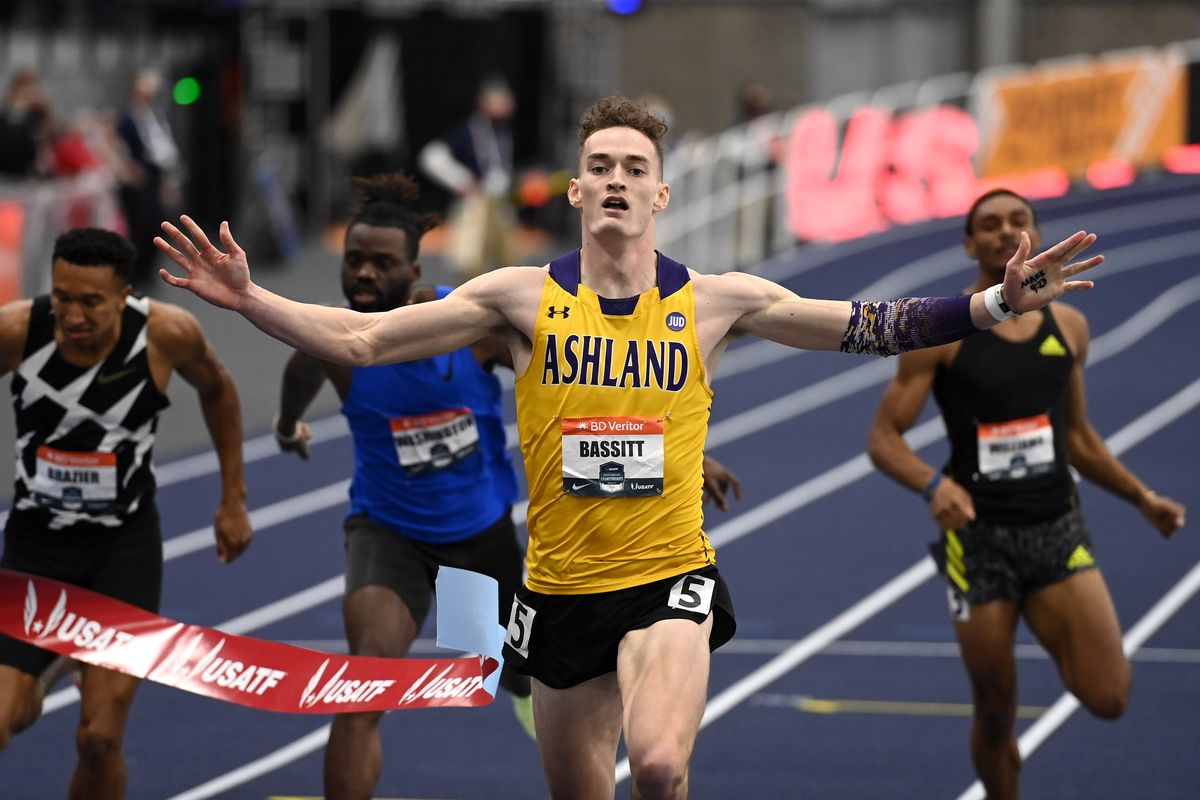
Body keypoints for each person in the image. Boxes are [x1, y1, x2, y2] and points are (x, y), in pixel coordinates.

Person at [156, 97, 1101, 799]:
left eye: (633, 166)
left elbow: (865, 323)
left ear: (660, 192)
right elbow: (360, 341)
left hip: (668, 577)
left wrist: (991, 305)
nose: (615, 178)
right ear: (575, 190)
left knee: (656, 767)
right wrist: (251, 301)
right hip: (560, 591)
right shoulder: (516, 298)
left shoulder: (716, 302)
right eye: (599, 164)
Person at [273, 171, 742, 800]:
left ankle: (540, 712)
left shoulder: (472, 326)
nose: (362, 274)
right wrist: (284, 427)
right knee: (366, 683)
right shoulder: (329, 347)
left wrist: (689, 455)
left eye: (381, 263)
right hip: (391, 539)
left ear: (414, 266)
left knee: (519, 679)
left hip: (480, 546)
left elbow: (589, 390)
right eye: (353, 260)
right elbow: (296, 378)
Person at [865, 189, 1186, 800]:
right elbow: (883, 439)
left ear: (1034, 235)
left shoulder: (1070, 326)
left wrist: (1142, 497)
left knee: (1108, 695)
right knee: (994, 709)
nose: (1004, 230)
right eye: (989, 224)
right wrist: (936, 484)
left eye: (1018, 220)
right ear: (969, 243)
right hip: (978, 542)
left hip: (1055, 529)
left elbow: (1079, 437)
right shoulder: (945, 331)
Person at [0, 227, 252, 800]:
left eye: (91, 301)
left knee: (99, 738)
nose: (73, 314)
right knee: (2, 722)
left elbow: (219, 390)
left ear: (124, 296)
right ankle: (42, 674)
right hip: (34, 551)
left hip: (121, 554)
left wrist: (232, 498)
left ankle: (61, 667)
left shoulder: (165, 334)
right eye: (63, 296)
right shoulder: (18, 331)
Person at [417, 77, 518, 278]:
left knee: (510, 258)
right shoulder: (468, 131)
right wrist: (462, 181)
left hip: (498, 203)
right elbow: (432, 157)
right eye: (498, 100)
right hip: (474, 203)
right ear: (484, 102)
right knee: (470, 260)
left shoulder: (504, 134)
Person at [117, 69, 181, 289]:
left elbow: (164, 147)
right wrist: (130, 168)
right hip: (138, 177)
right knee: (139, 227)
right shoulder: (128, 119)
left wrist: (169, 178)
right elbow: (121, 147)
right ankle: (135, 273)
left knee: (156, 224)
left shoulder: (157, 116)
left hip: (155, 175)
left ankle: (147, 272)